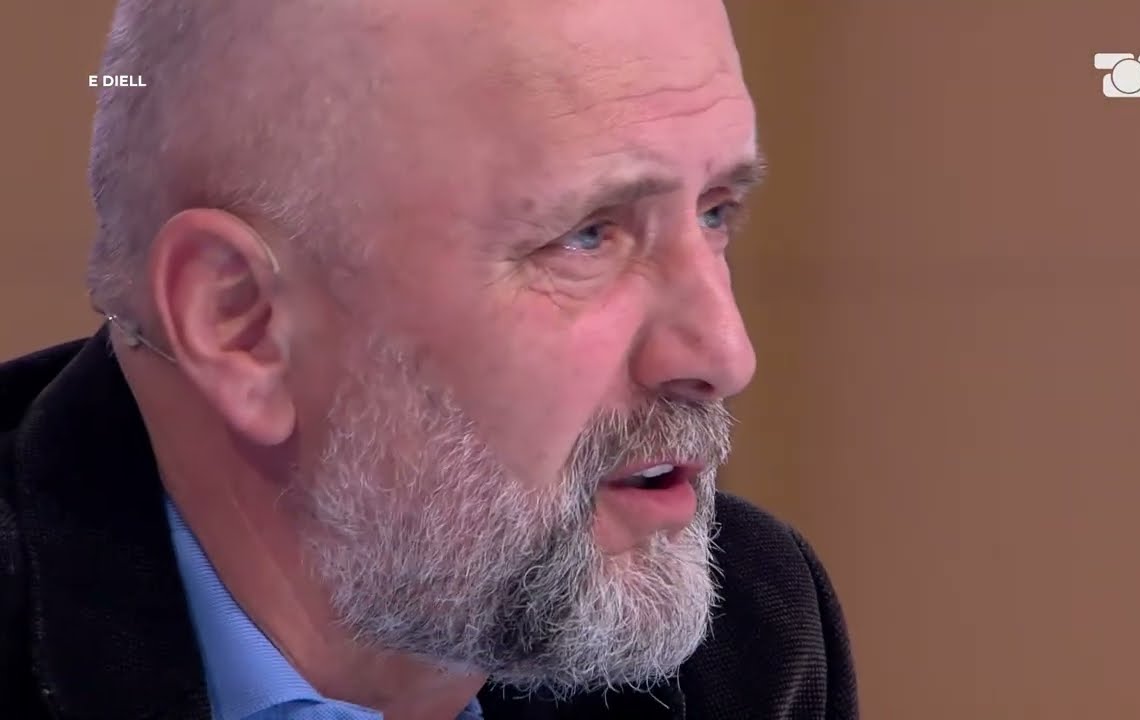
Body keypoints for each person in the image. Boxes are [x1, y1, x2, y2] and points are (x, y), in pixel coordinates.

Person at [0, 1, 857, 717]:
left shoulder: (745, 639)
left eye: (715, 212)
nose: (725, 353)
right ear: (244, 324)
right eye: (587, 236)